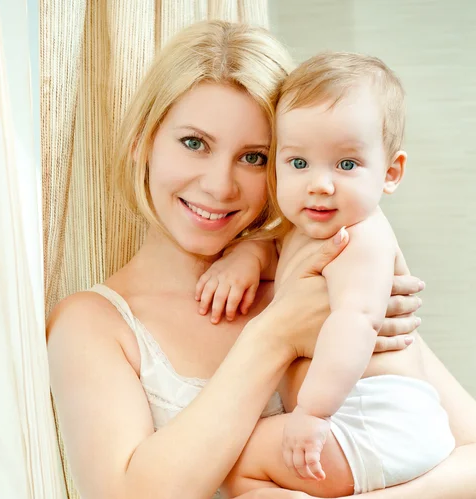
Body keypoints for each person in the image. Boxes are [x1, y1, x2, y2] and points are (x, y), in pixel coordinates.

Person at [46, 20, 476, 499]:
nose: (220, 185)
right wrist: (276, 334)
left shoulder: (323, 265)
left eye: (254, 157)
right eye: (194, 143)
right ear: (142, 143)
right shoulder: (95, 324)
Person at [196, 52, 456, 497]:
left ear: (390, 172)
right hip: (373, 422)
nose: (320, 183)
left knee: (240, 463)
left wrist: (313, 413)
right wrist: (247, 257)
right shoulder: (304, 230)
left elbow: (354, 322)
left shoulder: (360, 238)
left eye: (347, 165)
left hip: (375, 421)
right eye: (299, 164)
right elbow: (281, 254)